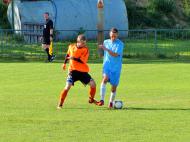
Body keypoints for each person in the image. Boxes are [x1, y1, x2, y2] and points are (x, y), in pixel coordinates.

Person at [57, 34, 97, 109]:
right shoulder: (71, 46)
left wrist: (73, 58)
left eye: (85, 43)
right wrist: (64, 63)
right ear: (78, 42)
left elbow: (82, 61)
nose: (84, 44)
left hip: (82, 72)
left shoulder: (85, 50)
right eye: (83, 43)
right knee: (67, 87)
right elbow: (67, 54)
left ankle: (91, 99)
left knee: (93, 84)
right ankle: (60, 104)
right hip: (72, 71)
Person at [96, 28, 124, 108]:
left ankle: (111, 102)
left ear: (117, 35)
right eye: (112, 36)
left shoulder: (120, 44)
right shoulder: (106, 42)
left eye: (115, 36)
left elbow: (115, 54)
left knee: (113, 87)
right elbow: (104, 53)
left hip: (116, 68)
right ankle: (102, 100)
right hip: (107, 66)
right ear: (109, 34)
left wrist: (106, 49)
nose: (113, 37)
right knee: (105, 79)